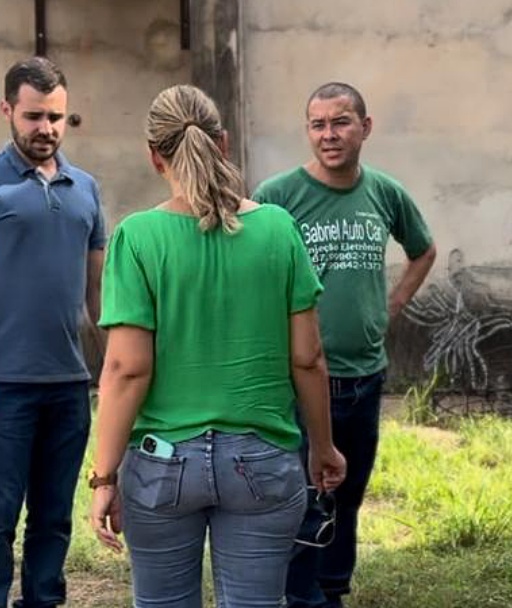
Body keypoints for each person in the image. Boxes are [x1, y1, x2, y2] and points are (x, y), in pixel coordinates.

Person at [88, 84, 346, 608]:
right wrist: (322, 446)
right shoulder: (277, 228)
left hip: (161, 465)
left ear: (154, 156)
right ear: (223, 144)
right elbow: (308, 358)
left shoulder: (137, 238)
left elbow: (125, 369)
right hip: (263, 460)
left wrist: (104, 475)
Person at [253, 82, 437, 608]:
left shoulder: (384, 192)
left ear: (365, 127)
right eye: (318, 124)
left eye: (341, 122)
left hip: (365, 375)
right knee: (302, 498)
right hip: (300, 379)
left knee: (347, 495)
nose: (329, 135)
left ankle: (332, 591)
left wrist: (392, 304)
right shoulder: (277, 196)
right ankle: (296, 594)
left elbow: (422, 251)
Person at [0, 57, 106, 608]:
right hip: (1, 386)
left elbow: (97, 294)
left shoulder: (86, 187)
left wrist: (113, 367)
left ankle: (43, 599)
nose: (46, 129)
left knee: (54, 515)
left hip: (68, 384)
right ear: (8, 110)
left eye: (57, 117)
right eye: (34, 116)